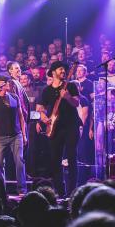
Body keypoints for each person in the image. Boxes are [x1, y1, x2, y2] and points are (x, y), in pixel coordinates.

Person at [36, 61, 82, 197]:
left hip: (71, 126)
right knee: (55, 160)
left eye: (65, 69)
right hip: (55, 128)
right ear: (53, 71)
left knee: (72, 157)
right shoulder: (46, 90)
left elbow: (76, 102)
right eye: (61, 69)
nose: (63, 71)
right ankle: (60, 193)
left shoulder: (71, 86)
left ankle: (72, 191)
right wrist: (43, 117)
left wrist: (67, 97)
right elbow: (39, 109)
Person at [0, 76, 28, 195]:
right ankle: (1, 190)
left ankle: (22, 189)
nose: (7, 85)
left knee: (19, 161)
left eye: (6, 83)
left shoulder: (14, 97)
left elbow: (21, 117)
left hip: (16, 135)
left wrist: (24, 135)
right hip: (0, 137)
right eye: (4, 83)